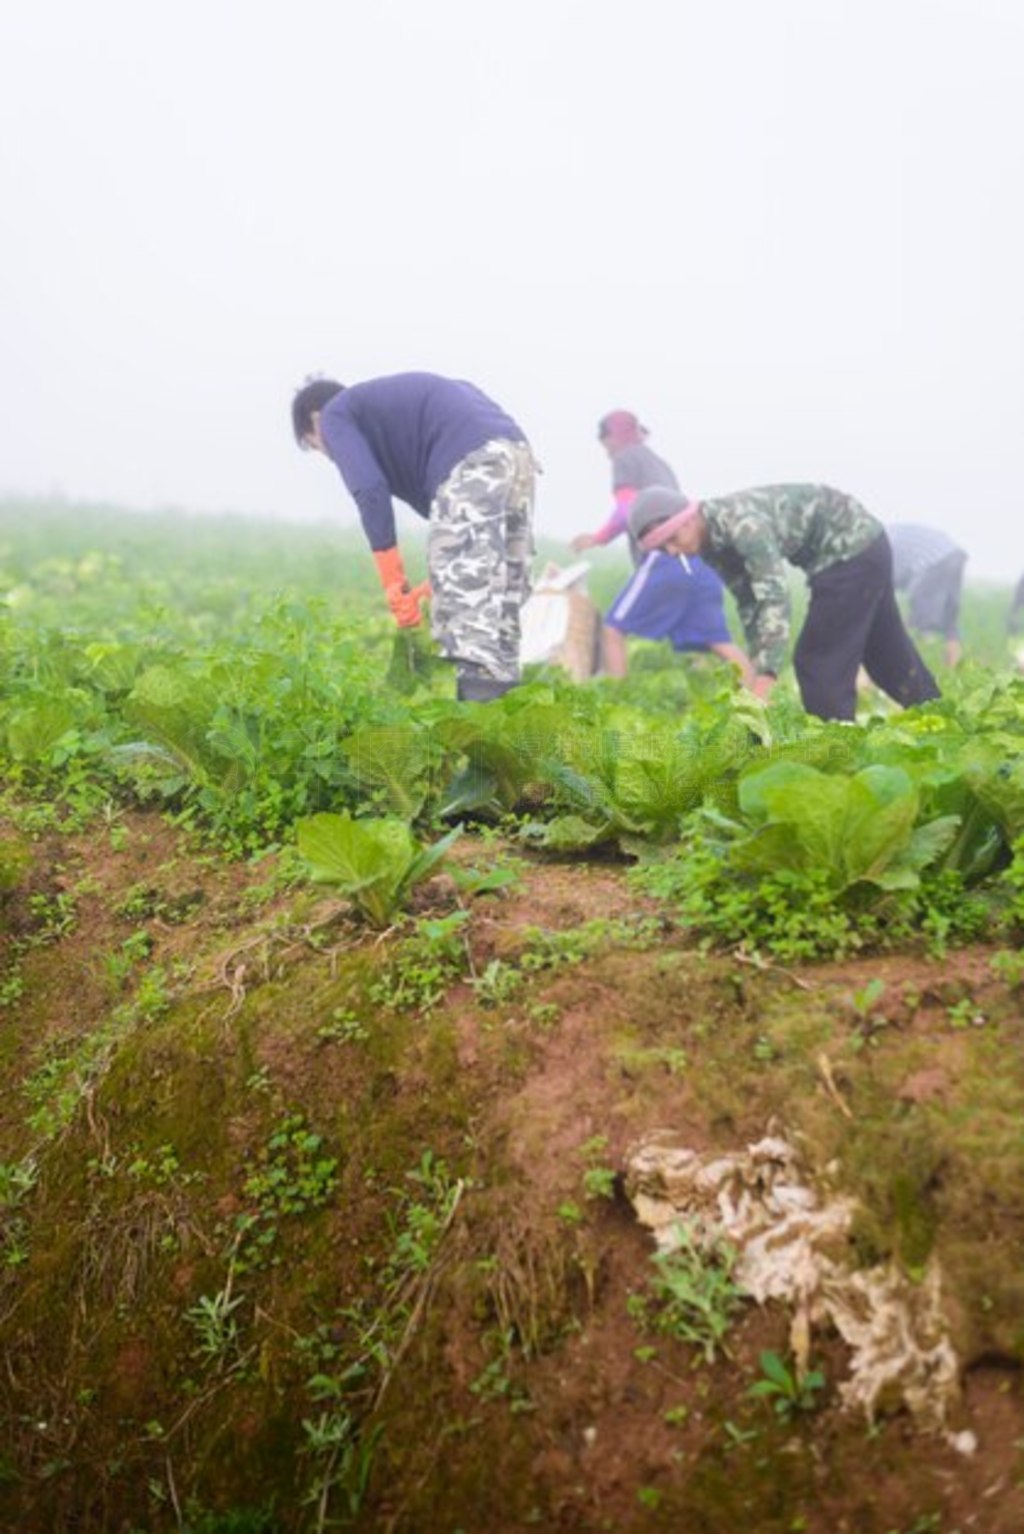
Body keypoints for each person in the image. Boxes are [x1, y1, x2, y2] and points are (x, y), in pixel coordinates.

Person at [291, 371, 536, 702]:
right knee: (499, 611)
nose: (328, 453)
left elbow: (370, 491)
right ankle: (505, 724)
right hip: (517, 456)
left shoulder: (335, 414)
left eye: (314, 445)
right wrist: (441, 580)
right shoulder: (388, 415)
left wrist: (394, 581)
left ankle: (481, 730)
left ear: (315, 421)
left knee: (468, 621)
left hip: (472, 462)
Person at [627, 483, 941, 722]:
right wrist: (755, 670)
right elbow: (750, 603)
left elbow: (774, 595)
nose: (671, 552)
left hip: (850, 550)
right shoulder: (710, 543)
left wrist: (765, 678)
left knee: (818, 661)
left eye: (671, 540)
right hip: (865, 548)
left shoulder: (742, 526)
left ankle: (837, 756)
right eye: (661, 548)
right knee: (887, 654)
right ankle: (943, 718)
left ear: (687, 519)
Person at [570, 410, 752, 683]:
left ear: (612, 437)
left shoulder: (625, 458)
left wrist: (597, 538)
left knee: (613, 630)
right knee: (718, 642)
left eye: (605, 442)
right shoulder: (659, 463)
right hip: (698, 558)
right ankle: (760, 698)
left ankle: (613, 704)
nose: (605, 450)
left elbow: (625, 511)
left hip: (665, 556)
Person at [887, 523, 968, 667]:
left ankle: (910, 665)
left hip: (934, 560)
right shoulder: (890, 535)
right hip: (955, 554)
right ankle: (954, 666)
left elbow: (885, 587)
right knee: (949, 616)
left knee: (919, 620)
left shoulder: (884, 545)